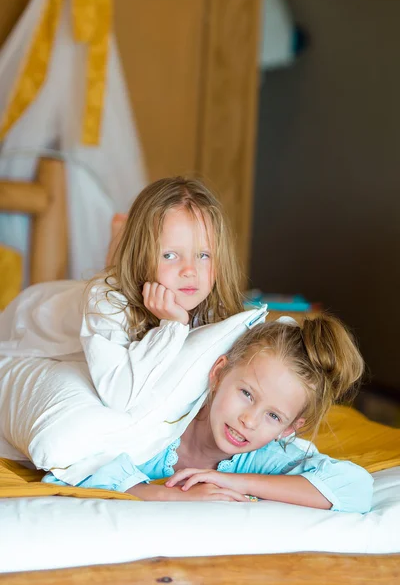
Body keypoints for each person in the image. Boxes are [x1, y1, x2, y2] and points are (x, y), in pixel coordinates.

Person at [43, 315, 374, 513]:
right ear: (218, 374)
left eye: (273, 416)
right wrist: (159, 493)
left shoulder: (264, 455)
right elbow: (70, 462)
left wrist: (225, 479)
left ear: (289, 429)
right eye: (246, 394)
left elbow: (355, 488)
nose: (250, 420)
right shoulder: (157, 426)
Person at [0, 177, 243, 414]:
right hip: (25, 318)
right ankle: (120, 244)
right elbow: (118, 396)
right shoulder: (107, 302)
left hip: (87, 291)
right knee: (111, 284)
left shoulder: (208, 302)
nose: (190, 271)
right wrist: (172, 325)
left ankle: (119, 244)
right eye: (170, 255)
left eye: (203, 255)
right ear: (142, 255)